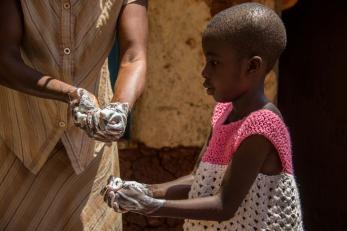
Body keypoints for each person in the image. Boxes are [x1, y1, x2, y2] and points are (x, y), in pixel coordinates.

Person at [102, 3, 304, 230]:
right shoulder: (223, 113)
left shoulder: (262, 126)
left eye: (215, 62)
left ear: (252, 67)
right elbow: (199, 178)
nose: (205, 72)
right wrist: (147, 190)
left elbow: (224, 205)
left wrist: (152, 205)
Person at [0, 0, 147, 230]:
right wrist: (71, 95)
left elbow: (134, 56)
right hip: (22, 138)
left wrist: (120, 107)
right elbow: (4, 58)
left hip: (91, 151)